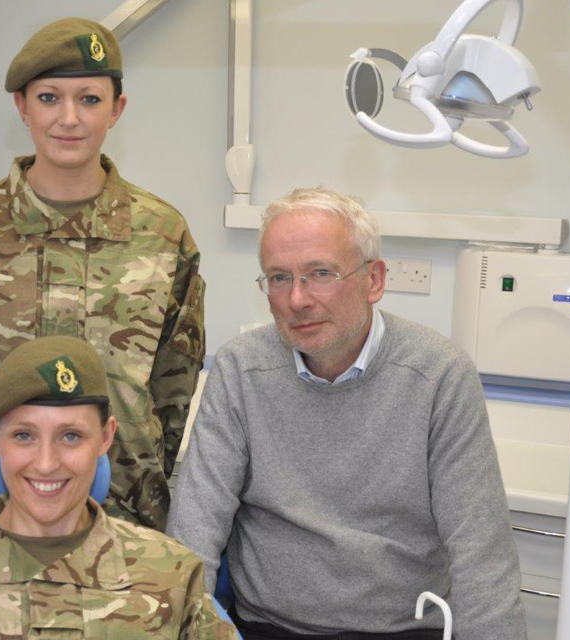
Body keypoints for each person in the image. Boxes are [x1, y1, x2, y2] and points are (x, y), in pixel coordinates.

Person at [167, 187, 526, 640]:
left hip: (402, 630)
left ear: (374, 279)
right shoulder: (241, 369)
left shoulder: (438, 375)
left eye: (320, 273)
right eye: (279, 278)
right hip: (268, 626)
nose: (297, 299)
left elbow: (482, 558)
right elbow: (193, 534)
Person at [0, 17, 205, 532]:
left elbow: (175, 389)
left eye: (90, 99)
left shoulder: (163, 233)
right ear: (22, 107)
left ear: (117, 109)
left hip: (130, 515)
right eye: (50, 98)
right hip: (1, 510)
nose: (70, 118)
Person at [0, 335, 236, 640]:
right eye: (24, 435)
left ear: (106, 438)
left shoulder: (170, 577)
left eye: (70, 436)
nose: (45, 463)